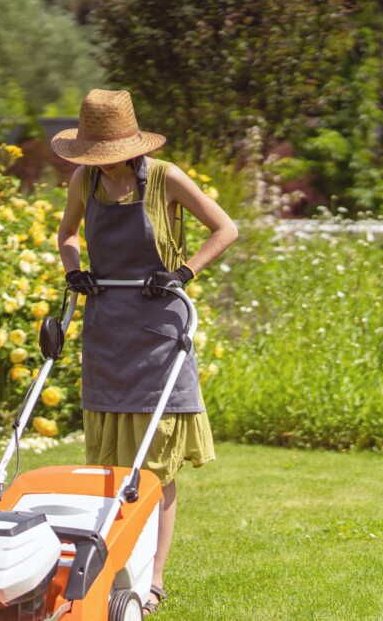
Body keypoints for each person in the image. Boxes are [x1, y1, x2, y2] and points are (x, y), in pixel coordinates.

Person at [51, 88, 238, 614]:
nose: (101, 163)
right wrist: (74, 270)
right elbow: (67, 234)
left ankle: (153, 579)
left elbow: (226, 228)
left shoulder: (165, 177)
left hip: (159, 328)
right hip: (108, 326)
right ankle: (112, 567)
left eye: (107, 154)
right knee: (110, 462)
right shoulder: (84, 180)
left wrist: (183, 272)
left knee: (156, 465)